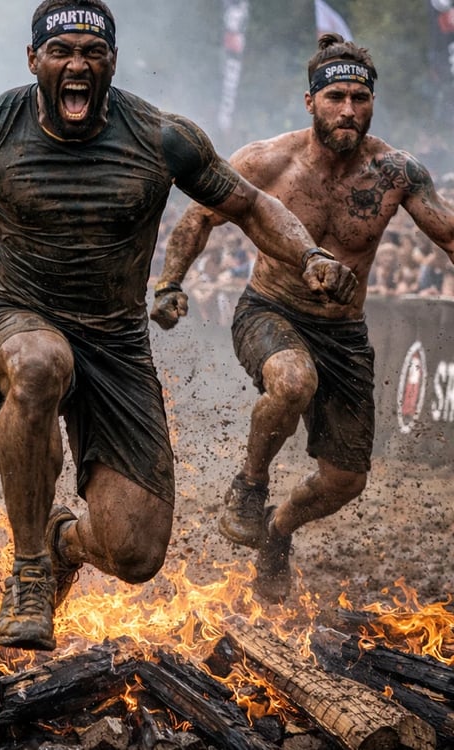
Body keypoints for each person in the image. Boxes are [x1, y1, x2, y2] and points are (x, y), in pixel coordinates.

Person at [0, 1, 356, 651]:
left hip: (118, 346)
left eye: (92, 53)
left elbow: (251, 204)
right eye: (62, 51)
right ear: (35, 60)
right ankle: (28, 573)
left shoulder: (161, 136)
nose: (77, 65)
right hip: (18, 320)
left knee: (135, 553)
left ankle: (60, 540)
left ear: (111, 63)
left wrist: (311, 255)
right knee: (42, 365)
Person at [151, 33, 454, 603]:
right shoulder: (266, 161)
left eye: (360, 99)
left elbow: (449, 233)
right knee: (293, 380)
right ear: (310, 101)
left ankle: (276, 530)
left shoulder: (396, 172)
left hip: (344, 331)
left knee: (345, 481)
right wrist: (169, 283)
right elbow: (197, 219)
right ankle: (249, 484)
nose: (348, 110)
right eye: (336, 96)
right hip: (270, 310)